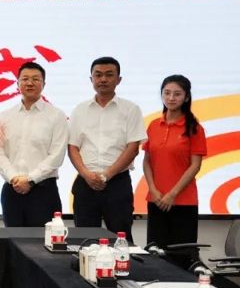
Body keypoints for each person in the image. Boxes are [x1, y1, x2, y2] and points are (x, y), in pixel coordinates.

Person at [68, 57, 146, 240]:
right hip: (86, 182)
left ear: (119, 79)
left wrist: (107, 175)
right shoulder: (80, 109)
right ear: (91, 79)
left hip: (117, 183)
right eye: (98, 75)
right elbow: (72, 147)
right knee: (85, 240)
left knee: (121, 239)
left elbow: (133, 147)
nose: (103, 79)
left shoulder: (131, 109)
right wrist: (87, 175)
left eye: (109, 75)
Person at [0, 62, 68, 227]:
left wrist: (31, 180)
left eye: (35, 79)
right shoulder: (5, 116)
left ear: (44, 84)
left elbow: (56, 155)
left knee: (44, 240)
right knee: (13, 239)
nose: (30, 83)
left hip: (43, 190)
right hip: (12, 190)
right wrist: (14, 177)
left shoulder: (56, 116)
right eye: (25, 79)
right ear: (17, 83)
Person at [142, 74, 206, 266]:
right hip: (156, 199)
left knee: (181, 258)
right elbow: (147, 161)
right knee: (156, 256)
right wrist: (153, 189)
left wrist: (172, 194)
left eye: (177, 94)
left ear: (186, 97)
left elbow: (195, 166)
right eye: (167, 93)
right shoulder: (154, 125)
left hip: (183, 202)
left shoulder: (194, 128)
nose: (171, 98)